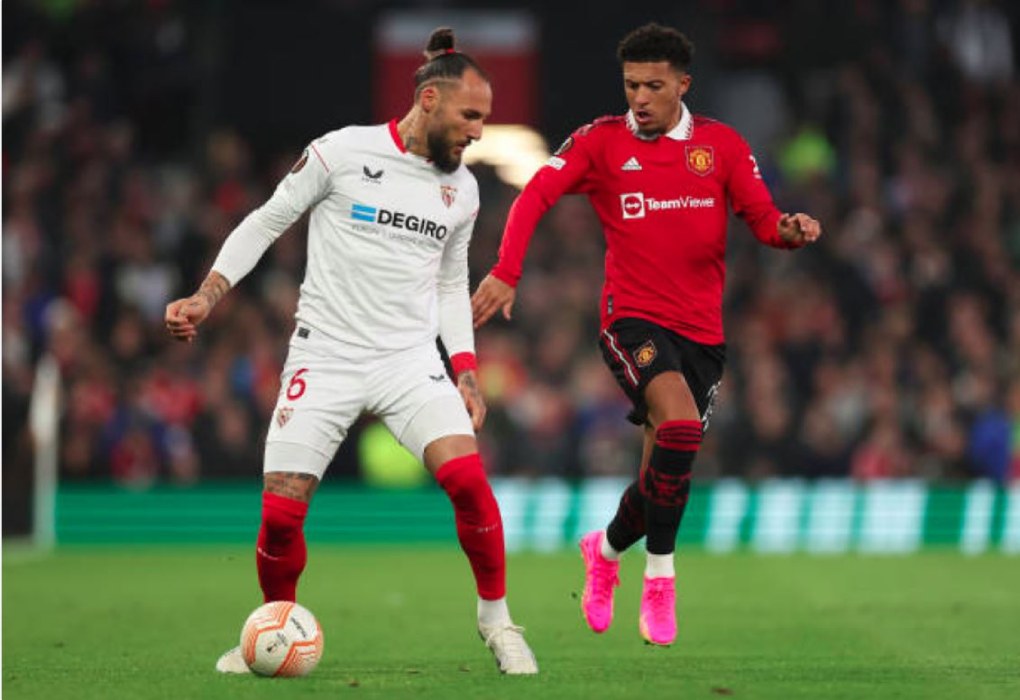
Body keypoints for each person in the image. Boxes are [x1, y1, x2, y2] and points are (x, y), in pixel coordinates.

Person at [165, 28, 538, 675]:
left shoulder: (463, 190)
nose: (478, 132)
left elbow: (450, 283)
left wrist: (465, 370)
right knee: (281, 517)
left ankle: (498, 623)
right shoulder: (341, 153)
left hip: (409, 360)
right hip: (327, 356)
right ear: (428, 100)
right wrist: (208, 294)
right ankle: (274, 628)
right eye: (470, 116)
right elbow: (267, 220)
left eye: (483, 118)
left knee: (469, 483)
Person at [471, 23, 822, 646]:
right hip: (631, 319)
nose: (639, 98)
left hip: (702, 334)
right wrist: (506, 270)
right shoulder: (601, 142)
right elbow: (535, 196)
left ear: (683, 84)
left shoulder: (721, 146)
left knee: (663, 473)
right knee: (680, 426)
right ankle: (661, 580)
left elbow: (764, 220)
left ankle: (604, 551)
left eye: (653, 86)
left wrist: (788, 232)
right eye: (631, 84)